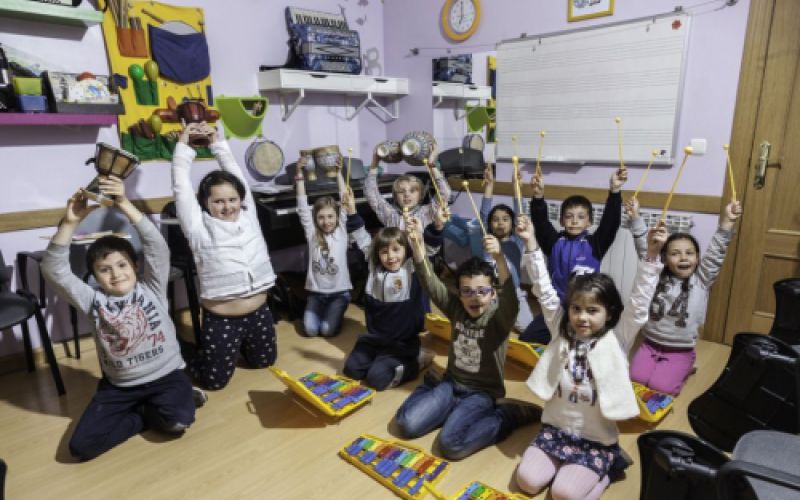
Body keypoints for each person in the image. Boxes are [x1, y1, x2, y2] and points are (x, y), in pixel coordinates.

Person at [42, 177, 199, 461]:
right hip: (120, 386)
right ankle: (143, 413)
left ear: (135, 266)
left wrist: (124, 203)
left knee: (178, 424)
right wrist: (69, 223)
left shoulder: (152, 287)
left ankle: (178, 396)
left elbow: (157, 247)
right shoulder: (92, 300)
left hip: (167, 375)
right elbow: (54, 270)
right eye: (105, 270)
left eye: (121, 265)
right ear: (94, 276)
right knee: (82, 448)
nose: (115, 274)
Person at [515, 215, 667, 499]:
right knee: (527, 481)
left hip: (595, 440)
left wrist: (652, 255)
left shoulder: (617, 337)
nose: (582, 318)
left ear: (609, 312)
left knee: (563, 494)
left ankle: (609, 469)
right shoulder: (561, 328)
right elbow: (545, 292)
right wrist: (531, 243)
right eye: (576, 309)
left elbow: (638, 303)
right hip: (556, 430)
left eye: (592, 311)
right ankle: (575, 470)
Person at [393, 212, 540, 460]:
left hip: (482, 394)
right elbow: (430, 282)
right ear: (459, 294)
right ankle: (434, 389)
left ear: (493, 294)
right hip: (451, 383)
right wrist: (416, 242)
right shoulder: (457, 308)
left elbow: (510, 299)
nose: (475, 297)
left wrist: (498, 257)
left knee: (451, 445)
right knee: (406, 425)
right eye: (467, 292)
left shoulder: (499, 317)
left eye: (482, 291)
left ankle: (506, 416)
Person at [171, 122, 277, 390]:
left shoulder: (248, 215)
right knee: (214, 382)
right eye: (218, 201)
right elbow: (181, 187)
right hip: (222, 319)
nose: (227, 206)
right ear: (205, 203)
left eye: (231, 199)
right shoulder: (198, 227)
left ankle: (235, 349)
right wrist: (183, 146)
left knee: (265, 362)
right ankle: (179, 349)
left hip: (259, 313)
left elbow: (235, 173)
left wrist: (218, 143)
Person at [627, 197, 743, 395]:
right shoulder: (656, 273)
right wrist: (635, 217)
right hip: (650, 343)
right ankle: (667, 367)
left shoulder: (702, 279)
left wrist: (727, 223)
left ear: (697, 258)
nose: (683, 258)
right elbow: (646, 250)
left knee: (660, 388)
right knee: (636, 380)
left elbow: (716, 251)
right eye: (675, 253)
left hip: (680, 350)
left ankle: (686, 367)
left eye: (690, 253)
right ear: (664, 258)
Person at [520, 169, 628, 344]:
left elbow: (610, 222)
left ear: (589, 222)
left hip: (583, 308)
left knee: (580, 344)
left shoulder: (595, 244)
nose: (574, 221)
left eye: (580, 217)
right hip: (557, 306)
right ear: (562, 221)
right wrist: (538, 195)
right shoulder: (554, 242)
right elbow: (540, 223)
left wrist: (615, 192)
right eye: (569, 217)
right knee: (527, 339)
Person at [341, 200, 434, 389]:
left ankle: (417, 360)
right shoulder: (374, 268)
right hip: (374, 339)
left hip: (401, 343)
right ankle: (378, 360)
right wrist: (351, 210)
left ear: (405, 251)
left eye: (396, 250)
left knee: (377, 380)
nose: (390, 256)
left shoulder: (411, 270)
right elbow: (361, 235)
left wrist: (418, 237)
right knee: (351, 371)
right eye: (384, 252)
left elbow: (425, 253)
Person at [445, 165, 533, 331]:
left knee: (528, 329)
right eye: (496, 220)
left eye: (505, 219)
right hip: (486, 293)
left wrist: (515, 186)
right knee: (479, 327)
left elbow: (520, 211)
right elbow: (483, 215)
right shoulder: (486, 238)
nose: (500, 222)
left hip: (512, 293)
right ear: (490, 225)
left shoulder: (517, 241)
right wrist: (489, 186)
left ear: (512, 223)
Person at [295, 156, 354, 337]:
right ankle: (324, 312)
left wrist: (338, 174)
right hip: (317, 294)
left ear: (336, 217)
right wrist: (299, 175)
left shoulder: (341, 232)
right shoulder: (312, 233)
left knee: (327, 332)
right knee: (311, 331)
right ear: (315, 219)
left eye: (330, 216)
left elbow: (344, 200)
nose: (326, 221)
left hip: (339, 293)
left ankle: (338, 310)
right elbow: (302, 206)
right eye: (321, 217)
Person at [365, 143, 451, 230]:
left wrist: (431, 164)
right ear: (395, 197)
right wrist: (375, 162)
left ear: (420, 195)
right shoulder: (389, 215)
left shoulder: (428, 212)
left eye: (412, 191)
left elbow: (445, 193)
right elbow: (371, 193)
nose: (407, 194)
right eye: (401, 191)